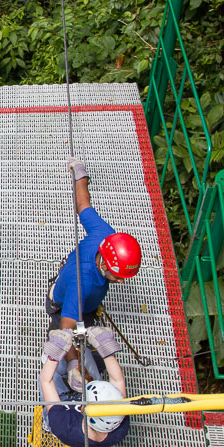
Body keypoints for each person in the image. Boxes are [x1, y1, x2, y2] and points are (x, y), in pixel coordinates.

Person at [44, 157, 143, 390]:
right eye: (118, 277)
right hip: (64, 305)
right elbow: (65, 329)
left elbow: (83, 205)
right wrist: (73, 365)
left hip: (82, 298)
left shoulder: (104, 234)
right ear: (105, 266)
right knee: (63, 343)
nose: (120, 281)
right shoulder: (83, 284)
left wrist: (80, 175)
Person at [39, 327, 130, 447]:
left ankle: (47, 422)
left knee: (54, 371)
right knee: (83, 352)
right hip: (89, 405)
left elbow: (46, 381)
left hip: (63, 406)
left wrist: (54, 354)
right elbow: (117, 380)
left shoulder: (63, 425)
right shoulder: (120, 420)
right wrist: (106, 349)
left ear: (82, 409)